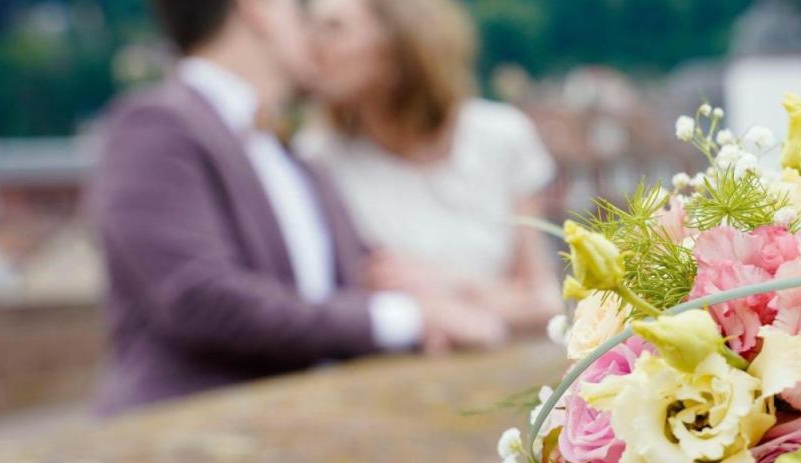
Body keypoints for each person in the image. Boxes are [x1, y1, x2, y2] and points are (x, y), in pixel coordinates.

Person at [90, 0, 500, 415]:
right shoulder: (156, 124)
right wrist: (406, 318)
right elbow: (201, 298)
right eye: (303, 14)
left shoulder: (295, 155)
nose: (316, 36)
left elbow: (356, 282)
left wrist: (422, 292)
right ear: (260, 9)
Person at [300, 0, 562, 334]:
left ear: (398, 44)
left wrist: (451, 287)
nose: (311, 44)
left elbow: (546, 303)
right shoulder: (318, 158)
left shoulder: (502, 137)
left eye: (334, 28)